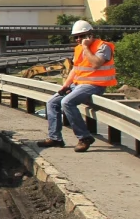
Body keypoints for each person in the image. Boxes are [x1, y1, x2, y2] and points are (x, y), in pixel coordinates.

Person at [36, 19, 116, 152]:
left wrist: (86, 47)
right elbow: (75, 69)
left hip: (95, 85)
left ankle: (84, 137)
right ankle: (55, 138)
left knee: (67, 102)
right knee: (52, 102)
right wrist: (66, 85)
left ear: (90, 35)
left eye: (82, 36)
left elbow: (96, 63)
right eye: (76, 37)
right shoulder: (78, 49)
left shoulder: (103, 47)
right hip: (78, 85)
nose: (79, 39)